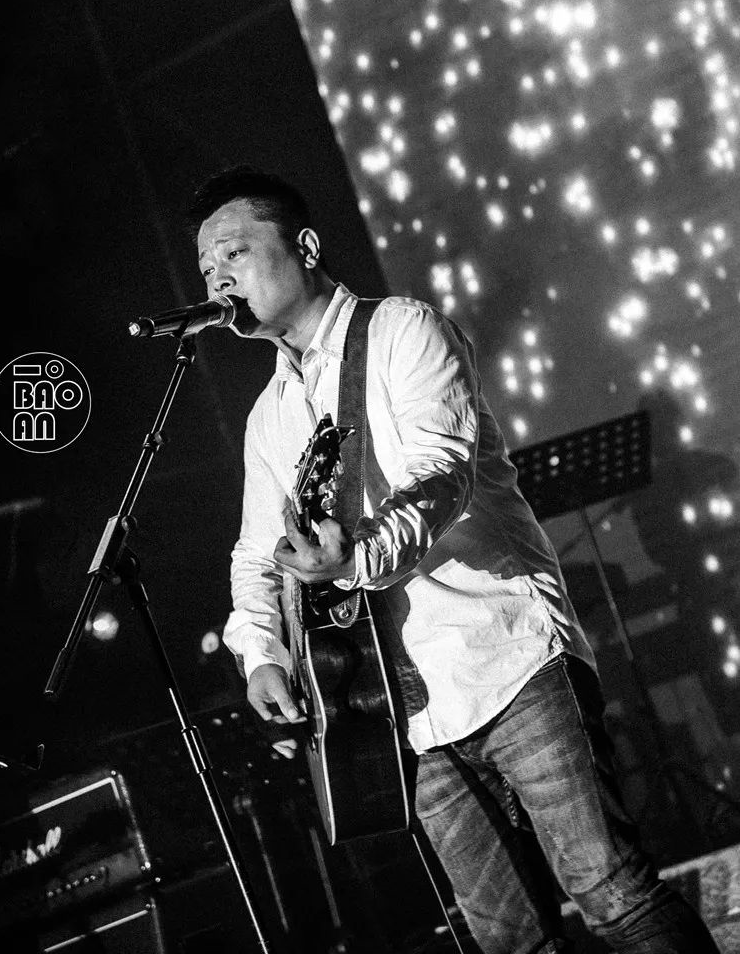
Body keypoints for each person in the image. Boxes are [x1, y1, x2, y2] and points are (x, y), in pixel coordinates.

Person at [187, 166, 717, 954]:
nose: (217, 278)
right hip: (396, 710)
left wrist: (355, 557)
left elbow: (441, 477)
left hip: (503, 656)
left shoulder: (403, 330)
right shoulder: (269, 416)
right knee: (507, 941)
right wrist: (260, 653)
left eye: (233, 252)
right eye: (205, 268)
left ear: (305, 247)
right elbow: (254, 552)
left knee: (613, 895)